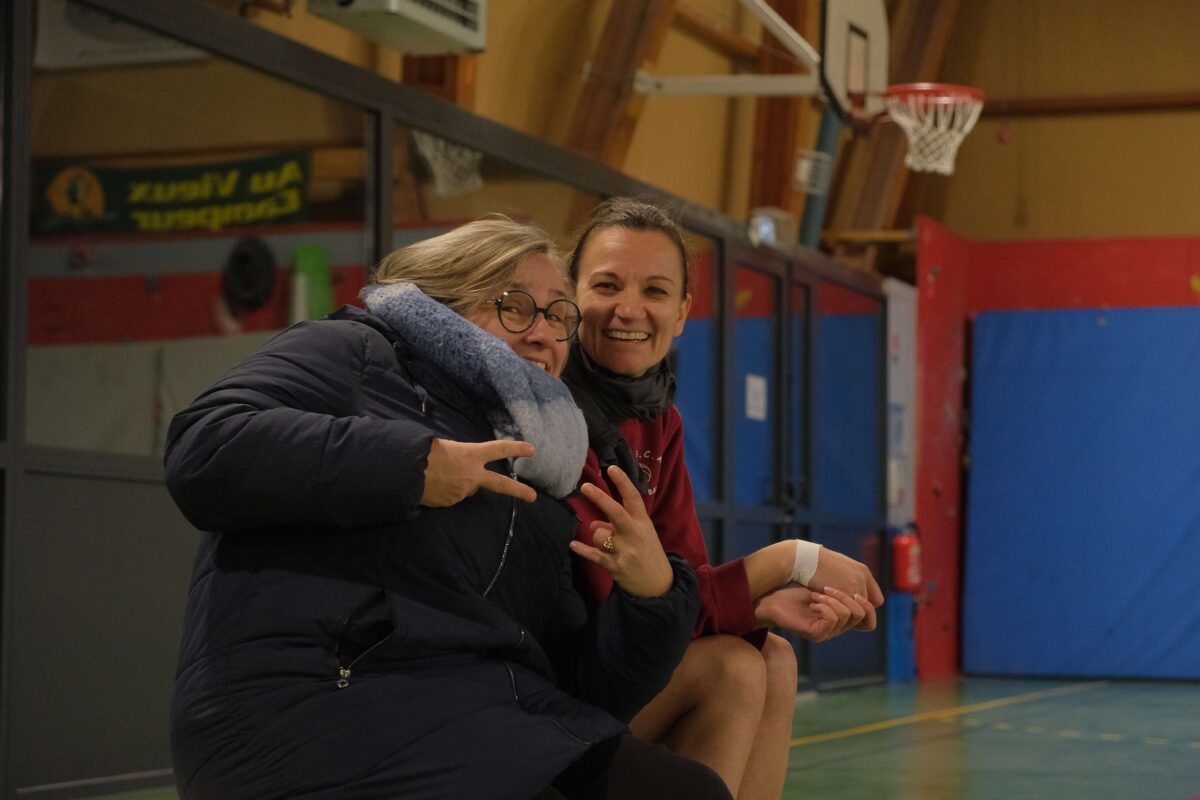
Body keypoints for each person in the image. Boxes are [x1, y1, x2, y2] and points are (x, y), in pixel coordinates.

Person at [164, 216, 733, 800]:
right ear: (446, 302)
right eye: (515, 306)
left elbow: (585, 689)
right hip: (317, 703)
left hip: (484, 716)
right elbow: (204, 448)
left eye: (560, 316)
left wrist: (651, 599)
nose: (543, 334)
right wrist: (412, 466)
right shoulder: (358, 350)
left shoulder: (543, 463)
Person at [561, 198, 886, 800]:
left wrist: (757, 609)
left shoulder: (660, 418)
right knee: (731, 667)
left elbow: (680, 583)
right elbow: (626, 601)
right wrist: (791, 560)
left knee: (775, 657)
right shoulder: (558, 416)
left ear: (683, 312)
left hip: (613, 672)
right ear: (569, 296)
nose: (628, 309)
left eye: (655, 291)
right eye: (606, 285)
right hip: (555, 693)